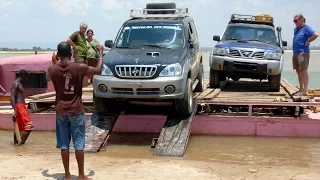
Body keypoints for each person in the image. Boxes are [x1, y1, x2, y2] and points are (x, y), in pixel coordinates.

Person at [47, 41, 103, 180]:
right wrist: (101, 55)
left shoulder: (52, 69)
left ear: (58, 54)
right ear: (71, 54)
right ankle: (81, 175)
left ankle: (67, 175)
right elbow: (98, 70)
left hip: (61, 111)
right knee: (78, 144)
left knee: (64, 144)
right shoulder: (79, 67)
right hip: (76, 110)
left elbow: (47, 78)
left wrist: (53, 63)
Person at [292, 14, 318, 96]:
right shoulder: (296, 29)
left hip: (303, 52)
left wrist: (308, 41)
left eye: (296, 21)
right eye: (294, 21)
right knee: (298, 70)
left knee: (303, 70)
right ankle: (301, 89)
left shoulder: (306, 28)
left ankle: (304, 91)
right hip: (296, 52)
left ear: (302, 20)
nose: (294, 23)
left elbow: (316, 34)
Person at [10, 69, 34, 145]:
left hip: (21, 106)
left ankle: (16, 144)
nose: (26, 79)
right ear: (23, 76)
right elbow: (12, 97)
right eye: (26, 77)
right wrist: (16, 110)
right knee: (29, 126)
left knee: (19, 126)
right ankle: (21, 144)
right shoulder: (16, 84)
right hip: (19, 106)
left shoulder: (19, 83)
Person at [67, 22, 89, 87]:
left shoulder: (83, 35)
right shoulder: (77, 34)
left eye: (85, 29)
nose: (84, 30)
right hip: (79, 56)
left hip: (85, 55)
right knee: (79, 71)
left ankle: (84, 86)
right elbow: (68, 39)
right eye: (83, 28)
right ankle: (78, 85)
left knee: (85, 71)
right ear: (80, 28)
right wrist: (75, 46)